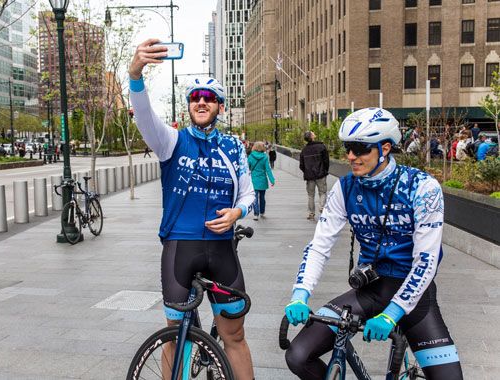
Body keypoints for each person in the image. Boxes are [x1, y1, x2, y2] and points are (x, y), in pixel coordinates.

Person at [284, 108, 463, 380]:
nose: (351, 156)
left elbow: (426, 260)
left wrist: (392, 313)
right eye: (348, 148)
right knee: (298, 356)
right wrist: (300, 293)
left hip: (414, 295)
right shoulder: (344, 188)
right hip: (370, 289)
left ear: (386, 148)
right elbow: (320, 245)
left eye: (360, 148)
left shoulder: (422, 187)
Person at [128, 38, 255, 379]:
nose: (201, 101)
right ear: (188, 107)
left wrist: (236, 214)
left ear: (221, 107)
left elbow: (247, 195)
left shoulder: (233, 147)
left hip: (222, 250)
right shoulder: (171, 140)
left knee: (235, 335)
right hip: (179, 250)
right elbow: (143, 114)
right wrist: (135, 73)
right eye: (195, 98)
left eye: (209, 98)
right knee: (176, 338)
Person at [299, 131, 329, 220]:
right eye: (313, 133)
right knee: (322, 192)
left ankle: (311, 213)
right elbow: (326, 161)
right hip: (321, 174)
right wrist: (324, 171)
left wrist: (307, 171)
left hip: (309, 176)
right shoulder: (321, 147)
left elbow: (301, 165)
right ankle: (322, 207)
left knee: (311, 195)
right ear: (312, 137)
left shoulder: (304, 150)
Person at [248, 141, 275, 220]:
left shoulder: (250, 156)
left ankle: (256, 214)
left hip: (254, 180)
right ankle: (262, 212)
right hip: (263, 180)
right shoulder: (265, 157)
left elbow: (247, 168)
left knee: (255, 198)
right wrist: (272, 180)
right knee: (262, 198)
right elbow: (268, 169)